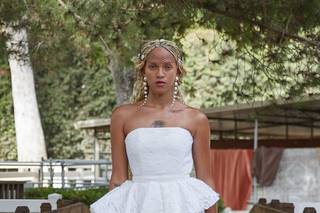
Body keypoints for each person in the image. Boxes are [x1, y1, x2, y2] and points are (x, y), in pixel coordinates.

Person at [90, 39, 219, 213]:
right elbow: (118, 178)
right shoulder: (122, 116)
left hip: (183, 206)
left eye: (167, 67)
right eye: (153, 66)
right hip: (139, 205)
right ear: (143, 70)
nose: (160, 73)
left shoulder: (196, 118)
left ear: (178, 72)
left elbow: (205, 180)